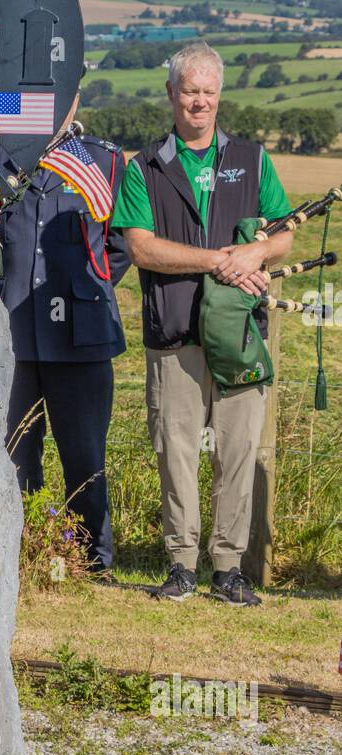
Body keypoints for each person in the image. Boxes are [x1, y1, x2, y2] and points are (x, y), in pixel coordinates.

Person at [111, 40, 293, 606]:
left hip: (239, 333)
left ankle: (228, 568)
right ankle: (181, 564)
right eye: (189, 91)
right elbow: (141, 248)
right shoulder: (145, 168)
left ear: (220, 96)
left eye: (208, 92)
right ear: (171, 95)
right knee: (176, 450)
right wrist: (220, 258)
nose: (199, 102)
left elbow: (285, 233)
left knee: (237, 449)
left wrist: (256, 255)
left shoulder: (253, 159)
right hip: (175, 334)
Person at [0, 93, 128, 573]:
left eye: (60, 96)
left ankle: (91, 560)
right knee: (13, 457)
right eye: (31, 97)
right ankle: (19, 553)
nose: (47, 107)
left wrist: (79, 289)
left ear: (75, 98)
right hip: (11, 330)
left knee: (84, 456)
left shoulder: (103, 160)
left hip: (81, 333)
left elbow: (119, 246)